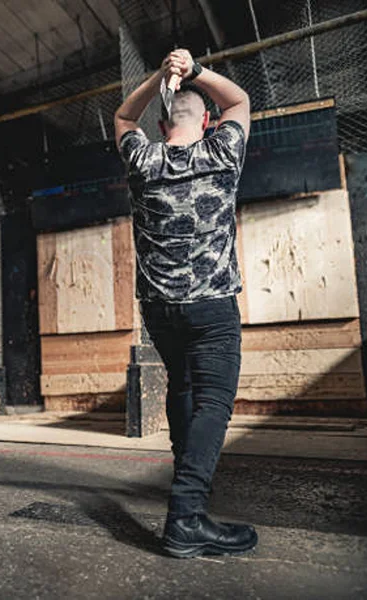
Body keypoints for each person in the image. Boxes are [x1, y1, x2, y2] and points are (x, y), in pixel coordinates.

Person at [114, 49, 256, 558]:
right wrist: (192, 72)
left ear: (161, 122)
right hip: (212, 307)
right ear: (210, 122)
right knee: (213, 403)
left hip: (159, 309)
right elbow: (239, 98)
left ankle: (186, 488)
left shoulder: (143, 159)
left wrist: (159, 77)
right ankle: (186, 517)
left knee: (184, 388)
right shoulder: (222, 153)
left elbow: (123, 116)